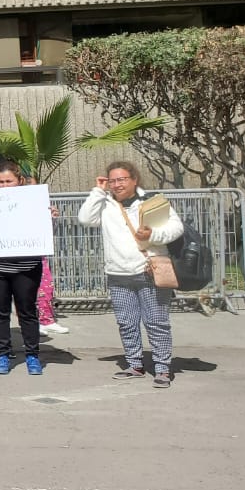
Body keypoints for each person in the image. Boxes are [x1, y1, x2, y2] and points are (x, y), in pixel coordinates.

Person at [77, 160, 184, 388]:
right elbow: (85, 219)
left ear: (134, 179)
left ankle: (163, 368)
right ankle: (134, 364)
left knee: (156, 322)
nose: (117, 184)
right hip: (117, 274)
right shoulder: (106, 205)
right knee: (126, 322)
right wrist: (98, 190)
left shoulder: (152, 202)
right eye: (112, 180)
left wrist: (152, 235)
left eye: (122, 179)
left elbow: (176, 228)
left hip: (149, 270)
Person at [0, 162, 53, 376]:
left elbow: (45, 232)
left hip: (26, 266)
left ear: (19, 181)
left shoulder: (33, 201)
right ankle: (3, 354)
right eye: (0, 182)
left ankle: (32, 355)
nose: (4, 186)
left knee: (27, 311)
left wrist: (50, 219)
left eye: (8, 181)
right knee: (0, 312)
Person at [37, 258, 69, 335]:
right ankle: (28, 325)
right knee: (23, 290)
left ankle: (45, 321)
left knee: (45, 288)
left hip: (37, 254)